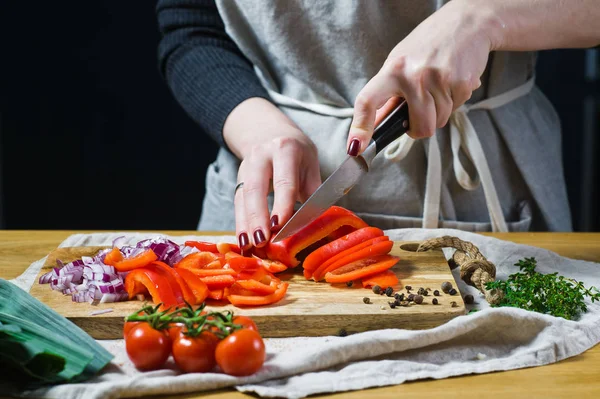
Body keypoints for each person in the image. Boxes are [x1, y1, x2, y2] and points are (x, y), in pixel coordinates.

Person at [156, 0, 600, 250]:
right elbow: (191, 27)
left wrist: (482, 16)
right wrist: (260, 132)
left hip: (488, 193)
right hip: (280, 193)